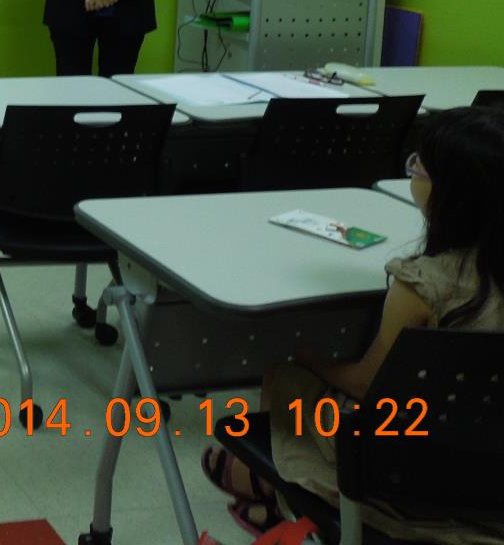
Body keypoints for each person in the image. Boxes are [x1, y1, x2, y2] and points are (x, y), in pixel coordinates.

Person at [201, 106, 504, 542]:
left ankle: (273, 496)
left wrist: (311, 359)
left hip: (403, 470)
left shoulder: (422, 284)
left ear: (449, 193)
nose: (413, 171)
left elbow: (365, 385)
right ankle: (258, 484)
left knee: (285, 375)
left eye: (420, 166)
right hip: (489, 472)